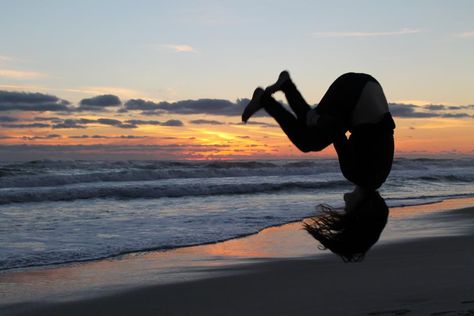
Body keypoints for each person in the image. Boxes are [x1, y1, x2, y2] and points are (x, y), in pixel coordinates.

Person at [242, 71, 395, 261]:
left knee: (312, 131)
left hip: (367, 87)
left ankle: (286, 86)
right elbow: (335, 130)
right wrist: (317, 119)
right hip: (353, 91)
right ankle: (265, 99)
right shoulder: (355, 173)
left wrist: (316, 120)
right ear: (358, 213)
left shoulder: (379, 176)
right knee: (307, 140)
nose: (344, 208)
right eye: (347, 214)